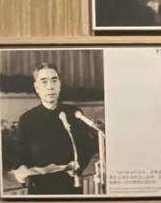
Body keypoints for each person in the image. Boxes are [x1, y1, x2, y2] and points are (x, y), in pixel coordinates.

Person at [9, 63, 98, 195]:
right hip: (39, 187)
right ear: (36, 87)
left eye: (54, 80)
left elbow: (87, 145)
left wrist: (79, 165)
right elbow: (19, 153)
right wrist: (21, 169)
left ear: (59, 85)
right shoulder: (27, 119)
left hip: (70, 185)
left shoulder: (73, 113)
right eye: (44, 82)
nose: (50, 86)